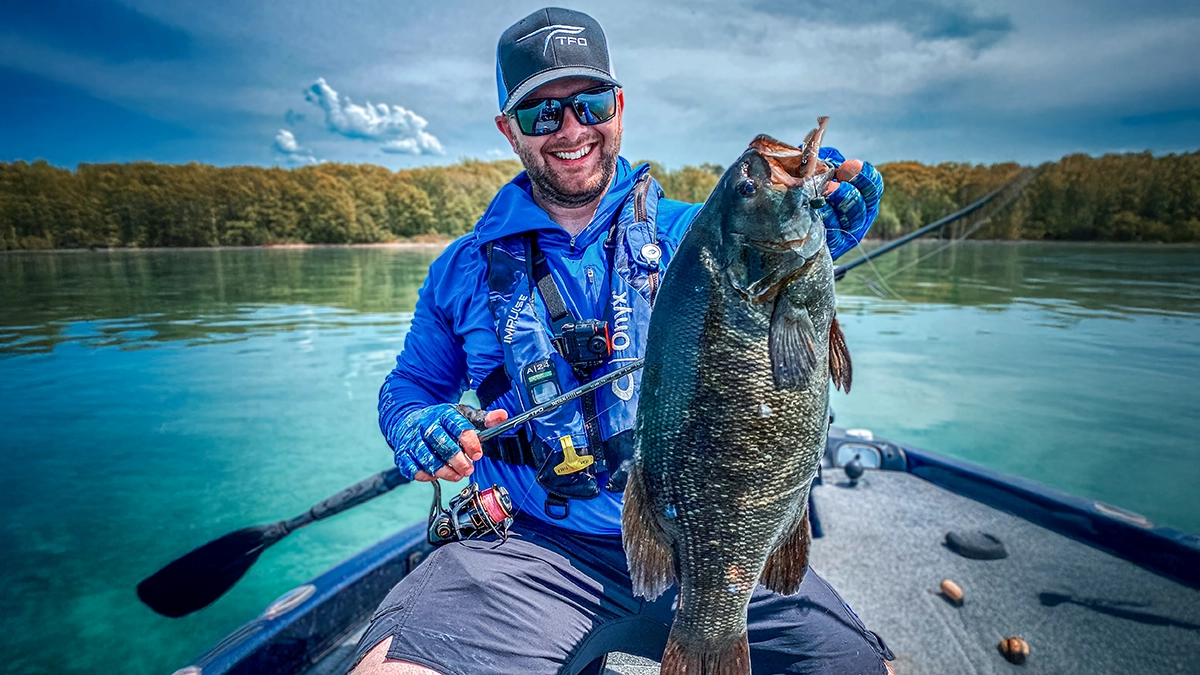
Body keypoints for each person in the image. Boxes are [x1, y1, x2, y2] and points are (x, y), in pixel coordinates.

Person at [352, 8, 892, 675]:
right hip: (533, 546)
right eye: (541, 113)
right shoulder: (460, 269)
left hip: (716, 544)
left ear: (619, 106)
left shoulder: (699, 236)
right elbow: (411, 388)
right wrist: (415, 423)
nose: (571, 128)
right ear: (507, 130)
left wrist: (819, 221)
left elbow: (778, 303)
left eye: (589, 102)